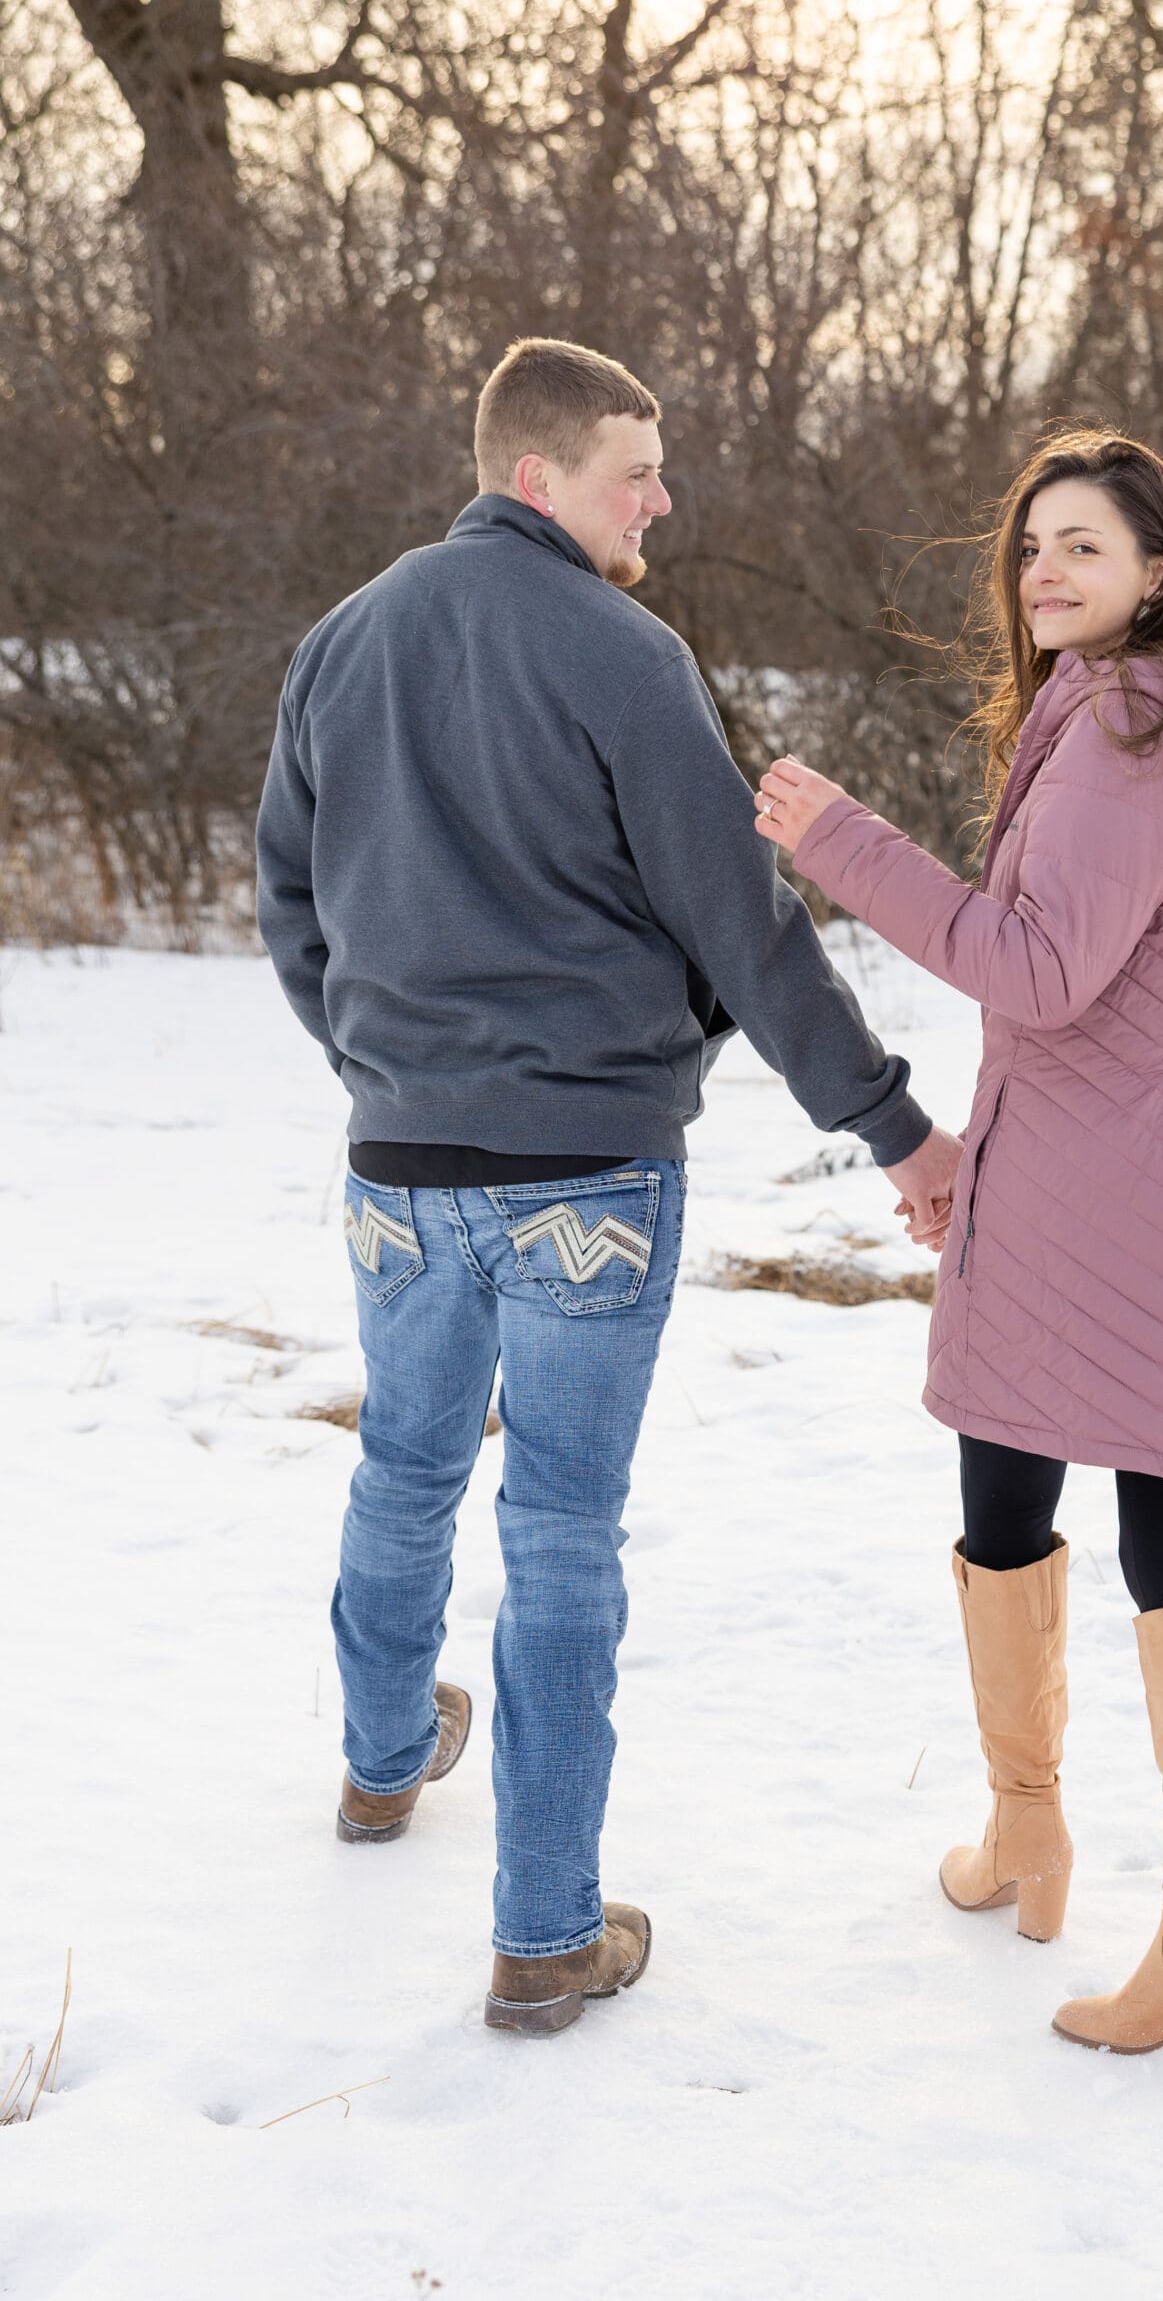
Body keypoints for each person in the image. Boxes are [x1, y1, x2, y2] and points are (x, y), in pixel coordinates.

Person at [256, 336, 962, 2038]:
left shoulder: (340, 642)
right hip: (584, 1167)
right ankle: (545, 1937)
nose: (662, 497)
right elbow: (746, 922)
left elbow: (292, 912)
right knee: (559, 1530)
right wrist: (897, 1127)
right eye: (633, 470)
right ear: (536, 478)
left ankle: (375, 1766)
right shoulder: (624, 651)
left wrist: (384, 1071)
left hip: (400, 1164)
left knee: (406, 1464)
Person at [754, 428, 1163, 2054]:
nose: (1046, 574)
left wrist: (840, 841)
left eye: (1084, 548)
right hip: (1096, 1187)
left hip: (1137, 1210)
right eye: (1033, 548)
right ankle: (1028, 1829)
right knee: (1005, 1490)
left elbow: (1038, 971)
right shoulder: (1156, 710)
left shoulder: (1135, 722)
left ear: (1159, 570)